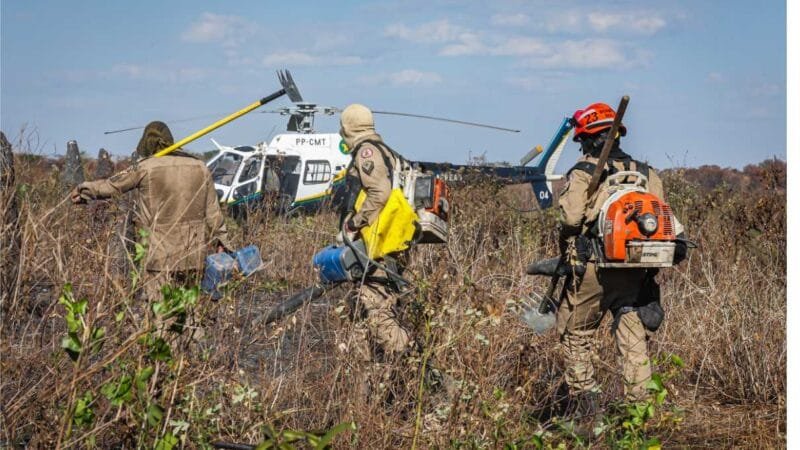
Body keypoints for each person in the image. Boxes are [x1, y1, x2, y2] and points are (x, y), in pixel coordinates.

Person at [555, 102, 687, 414]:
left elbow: (572, 221)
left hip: (593, 269)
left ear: (587, 139)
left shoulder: (584, 172)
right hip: (635, 270)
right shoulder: (647, 174)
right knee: (632, 333)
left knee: (576, 334)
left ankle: (586, 409)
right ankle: (639, 410)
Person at [71, 121, 230, 303]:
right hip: (193, 255)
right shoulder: (200, 167)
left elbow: (112, 185)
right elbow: (213, 213)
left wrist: (83, 190)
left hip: (159, 255)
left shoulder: (146, 167)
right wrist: (223, 242)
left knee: (162, 315)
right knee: (188, 312)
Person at [337, 103, 414, 367]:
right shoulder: (384, 151)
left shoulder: (366, 152)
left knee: (378, 315)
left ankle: (417, 366)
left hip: (379, 247)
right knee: (360, 313)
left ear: (348, 126)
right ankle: (365, 380)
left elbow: (379, 193)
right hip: (384, 244)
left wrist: (353, 225)